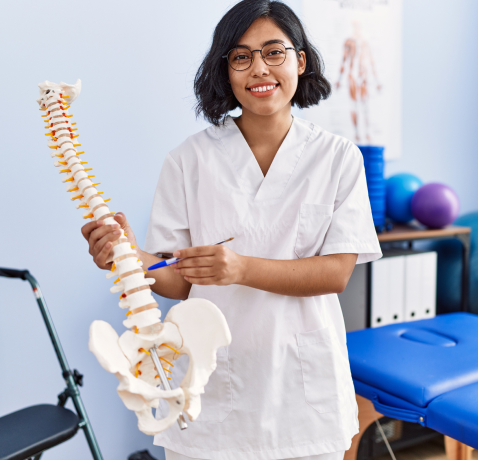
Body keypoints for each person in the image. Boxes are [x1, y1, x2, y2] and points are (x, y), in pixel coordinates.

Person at [81, 1, 382, 459]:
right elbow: (177, 279)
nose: (259, 68)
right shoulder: (188, 160)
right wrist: (128, 256)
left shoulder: (339, 157)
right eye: (241, 57)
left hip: (303, 393)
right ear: (226, 72)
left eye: (273, 52)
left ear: (300, 60)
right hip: (213, 390)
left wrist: (240, 268)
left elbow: (335, 273)